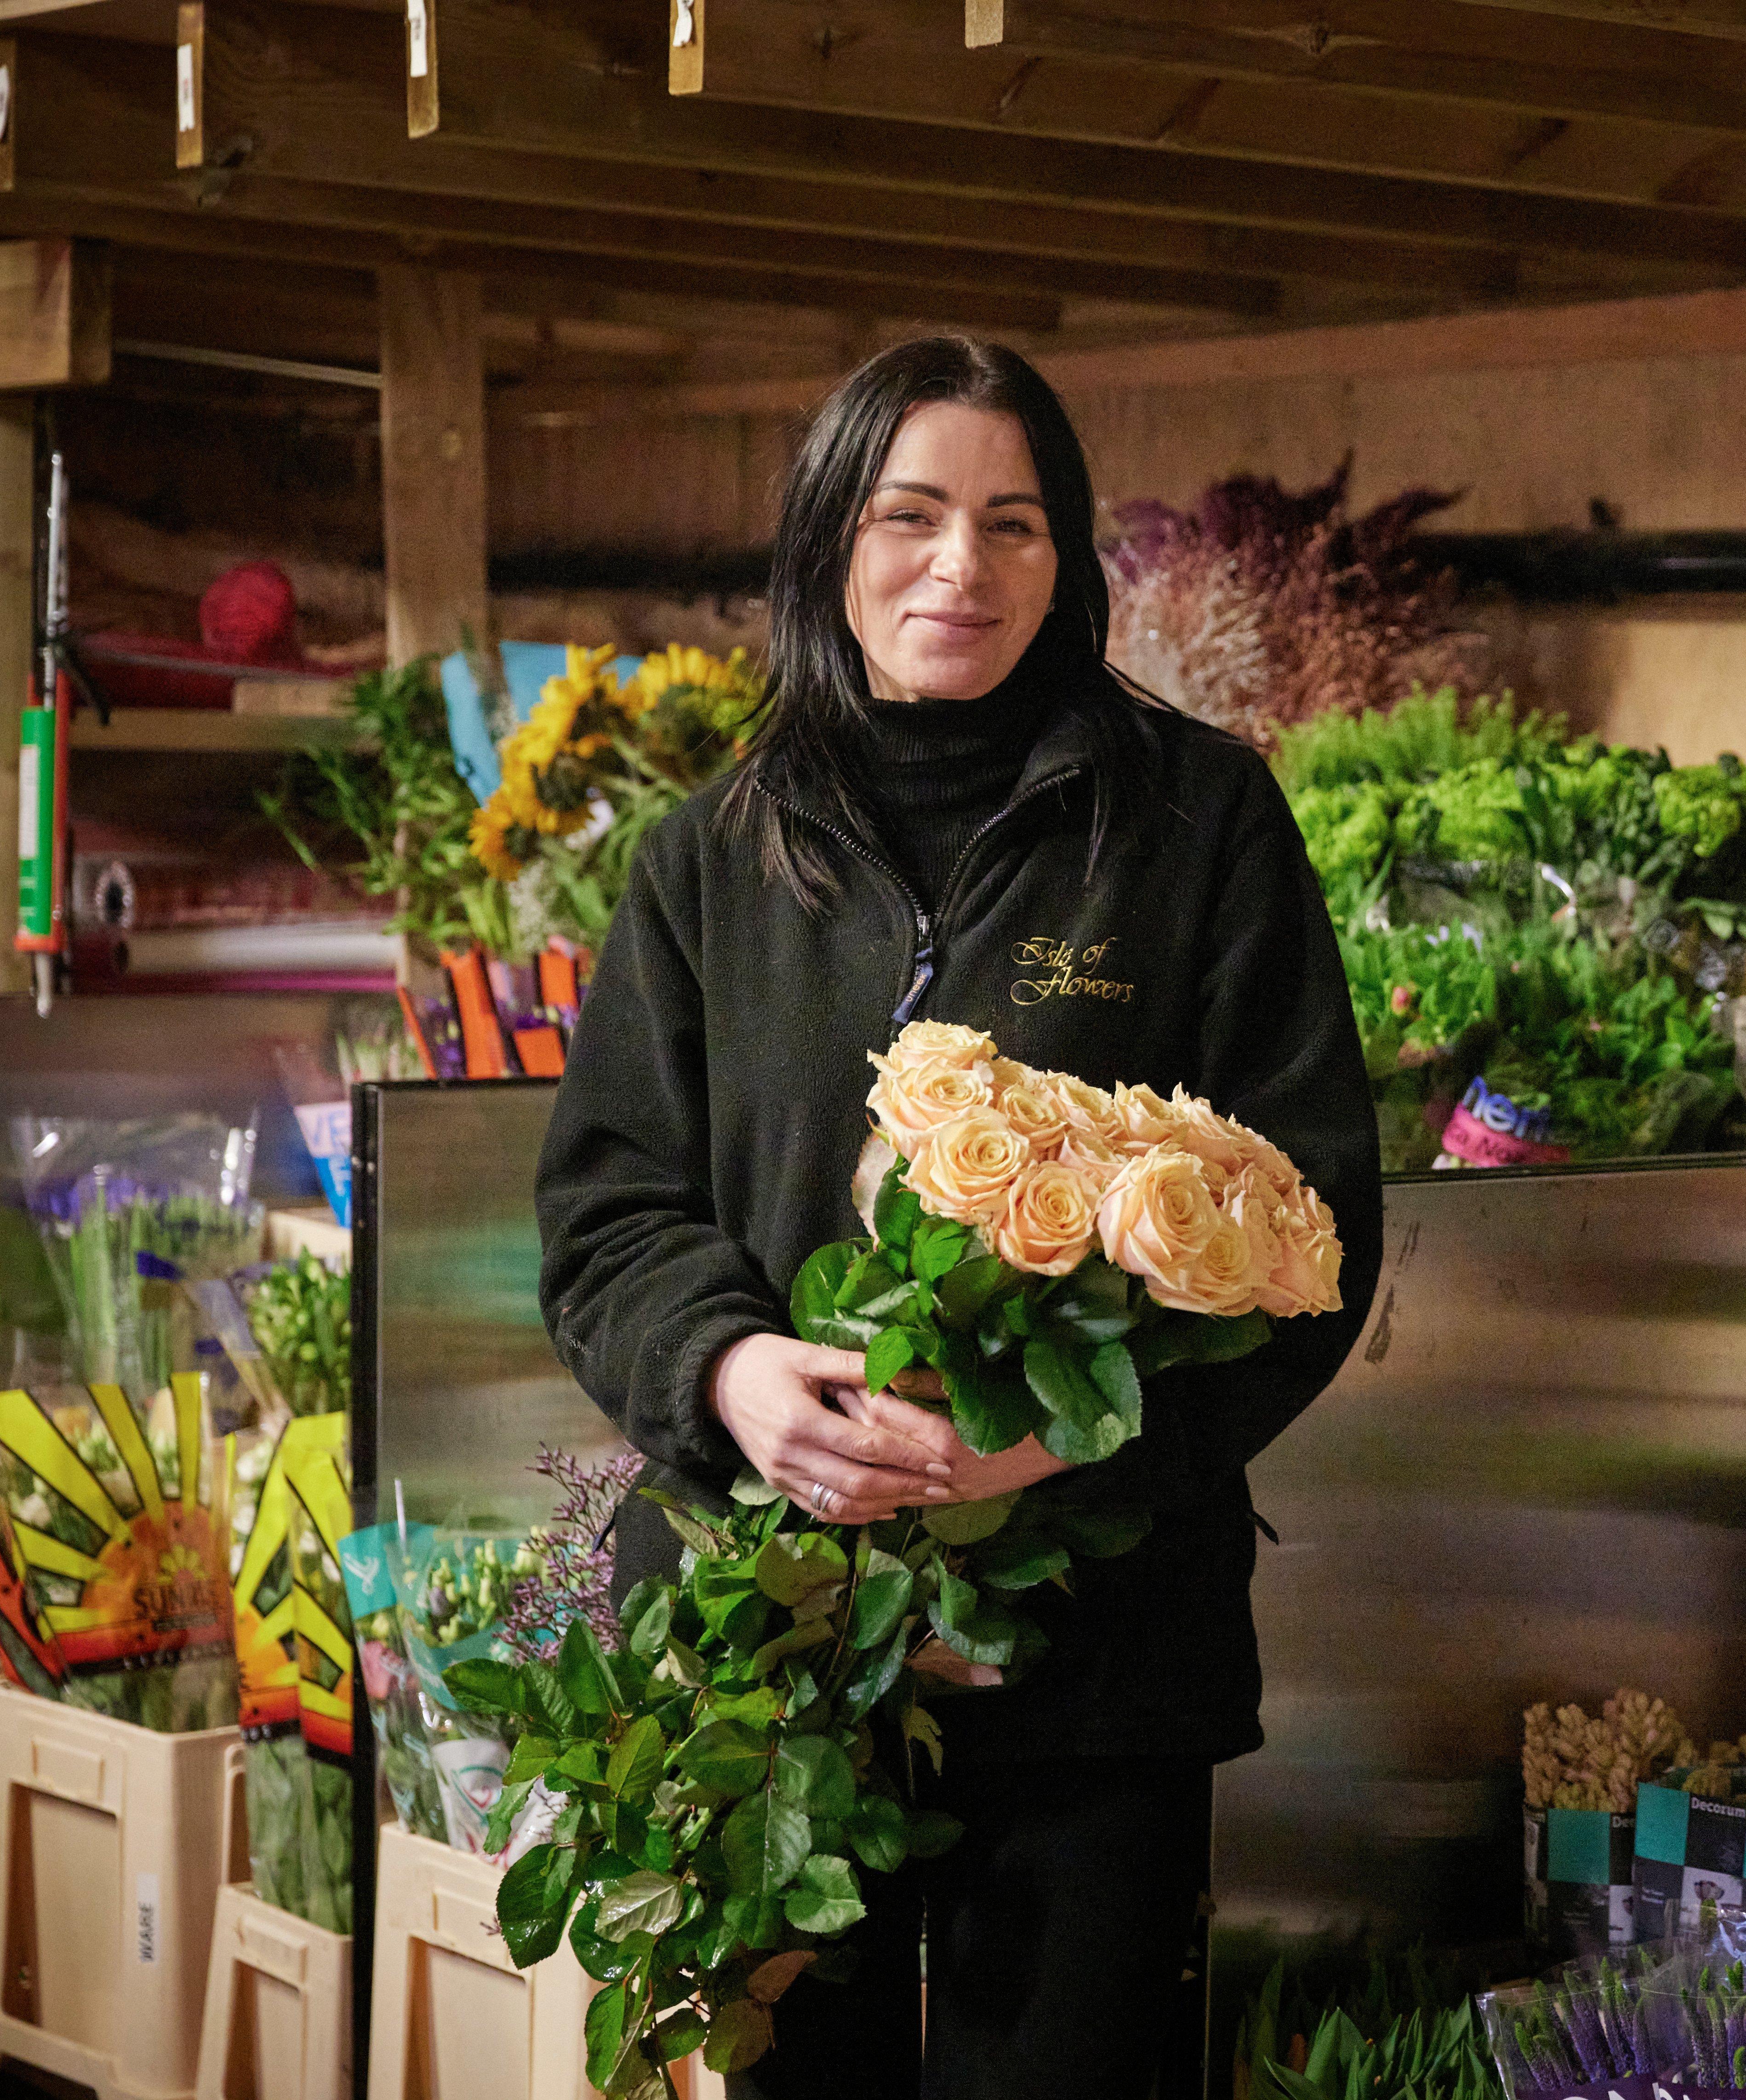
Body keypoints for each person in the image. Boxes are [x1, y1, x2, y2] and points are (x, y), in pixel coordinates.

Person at [535, 336, 1384, 2099]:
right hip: (775, 1657)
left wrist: (1055, 1449)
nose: (959, 568)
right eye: (910, 515)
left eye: (1013, 524)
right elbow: (610, 1214)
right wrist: (733, 1376)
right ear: (830, 545)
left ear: (1065, 561)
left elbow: (1314, 1232)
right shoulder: (709, 861)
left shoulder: (1195, 823)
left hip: (1099, 1666)